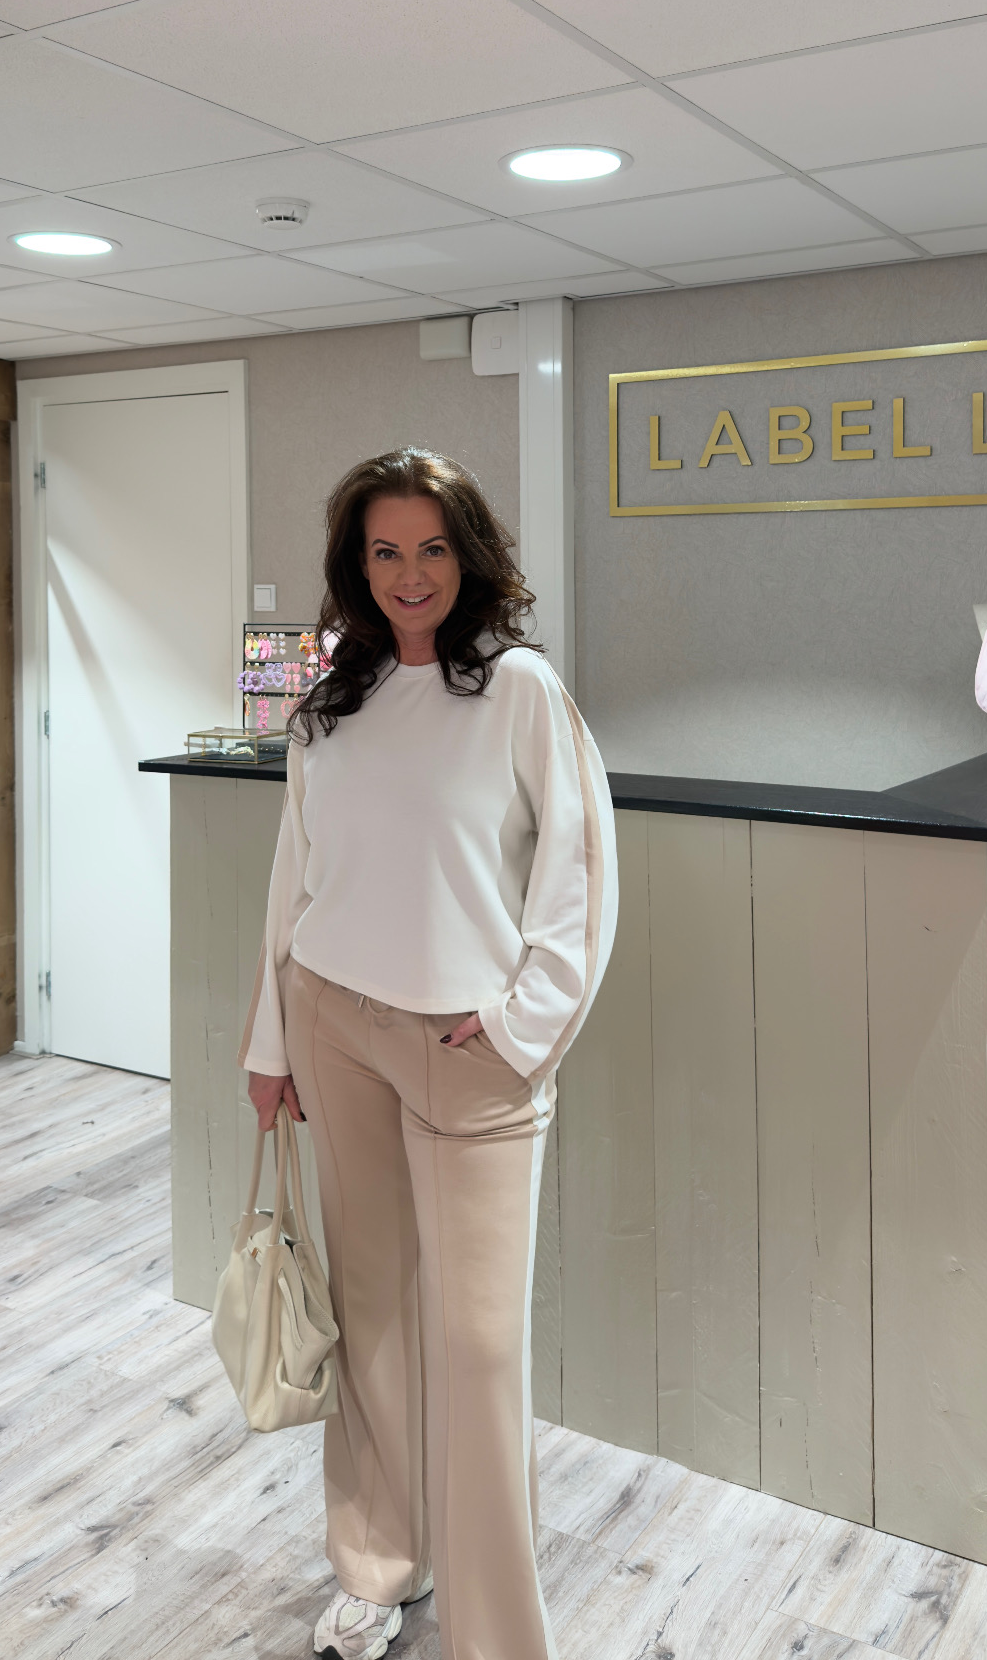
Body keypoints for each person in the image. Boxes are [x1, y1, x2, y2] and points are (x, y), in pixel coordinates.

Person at [239, 447, 617, 1660]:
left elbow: (580, 875)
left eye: (433, 547)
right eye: (385, 550)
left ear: (471, 555)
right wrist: (271, 1040)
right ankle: (376, 1564)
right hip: (333, 1024)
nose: (410, 573)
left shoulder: (519, 690)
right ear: (357, 565)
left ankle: (497, 1632)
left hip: (470, 1050)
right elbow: (294, 878)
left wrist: (519, 1026)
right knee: (375, 1314)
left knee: (479, 1347)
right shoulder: (329, 705)